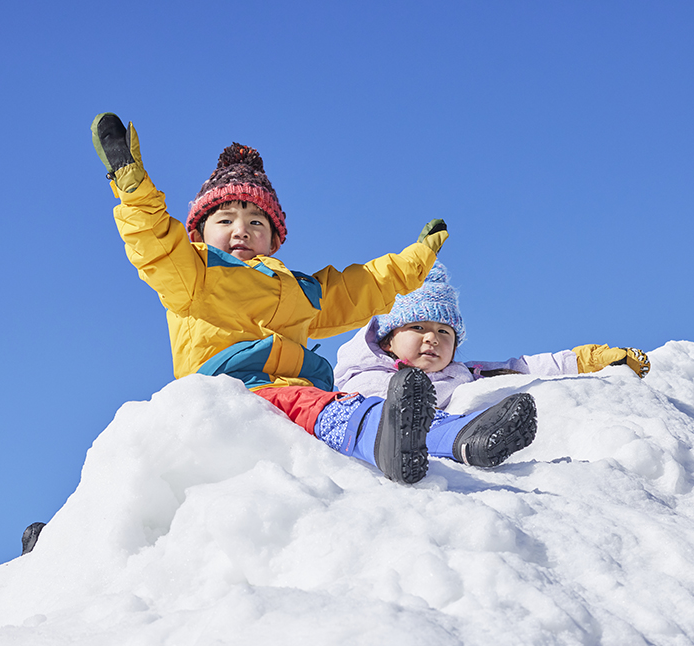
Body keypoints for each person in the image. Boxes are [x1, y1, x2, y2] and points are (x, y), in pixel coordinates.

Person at [91, 113, 470, 484]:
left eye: (256, 222)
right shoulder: (193, 275)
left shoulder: (297, 289)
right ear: (199, 234)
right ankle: (386, 443)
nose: (241, 230)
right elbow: (155, 243)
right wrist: (132, 186)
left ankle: (462, 438)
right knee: (328, 408)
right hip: (233, 390)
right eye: (225, 220)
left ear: (274, 239)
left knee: (358, 405)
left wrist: (416, 259)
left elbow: (362, 287)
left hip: (301, 389)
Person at [327, 263, 650, 467]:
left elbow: (524, 368)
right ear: (387, 340)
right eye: (418, 328)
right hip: (381, 440)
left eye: (444, 332)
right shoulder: (365, 372)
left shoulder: (465, 373)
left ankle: (482, 438)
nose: (432, 338)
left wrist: (585, 360)